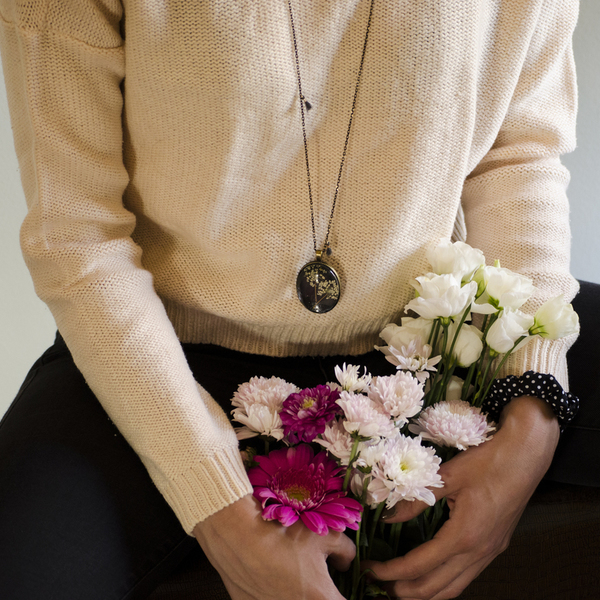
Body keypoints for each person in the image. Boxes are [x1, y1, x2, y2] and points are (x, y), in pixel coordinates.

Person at [0, 1, 580, 599]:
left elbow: (518, 155)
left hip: (430, 338)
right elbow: (77, 234)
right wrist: (216, 502)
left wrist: (532, 406)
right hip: (160, 348)